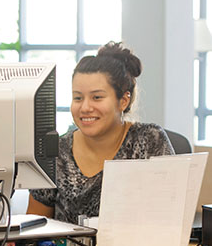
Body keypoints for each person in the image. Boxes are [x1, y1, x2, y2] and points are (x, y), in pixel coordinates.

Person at [27, 42, 174, 224]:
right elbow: (33, 225)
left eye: (97, 97)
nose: (85, 107)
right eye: (78, 98)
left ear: (123, 101)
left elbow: (169, 217)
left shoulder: (150, 140)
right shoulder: (55, 151)